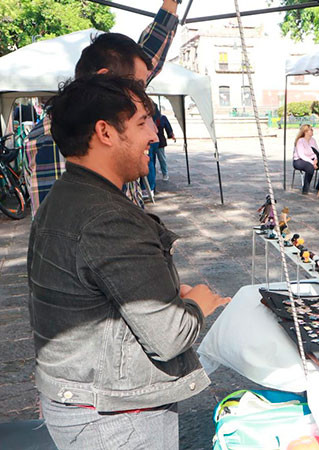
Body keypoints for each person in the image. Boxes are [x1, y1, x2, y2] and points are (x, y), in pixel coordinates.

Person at [29, 75, 230, 449]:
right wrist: (195, 305)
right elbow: (169, 337)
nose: (154, 135)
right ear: (105, 132)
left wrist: (164, 295)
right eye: (142, 122)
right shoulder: (107, 218)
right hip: (115, 422)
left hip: (85, 403)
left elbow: (95, 295)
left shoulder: (66, 195)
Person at [24, 0, 179, 217]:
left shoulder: (114, 113)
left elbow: (149, 56)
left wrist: (171, 4)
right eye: (139, 87)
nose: (143, 98)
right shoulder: (56, 136)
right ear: (105, 77)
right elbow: (66, 233)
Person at [293, 124, 318, 195]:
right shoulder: (300, 141)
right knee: (310, 168)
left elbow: (317, 151)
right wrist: (312, 163)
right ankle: (305, 188)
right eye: (311, 130)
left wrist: (316, 159)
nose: (312, 131)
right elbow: (301, 155)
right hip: (299, 160)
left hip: (312, 159)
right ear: (306, 132)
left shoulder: (313, 140)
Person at [155, 106, 176, 181]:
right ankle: (153, 175)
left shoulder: (162, 118)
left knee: (162, 159)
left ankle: (165, 173)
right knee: (151, 160)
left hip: (160, 141)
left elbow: (168, 127)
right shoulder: (148, 118)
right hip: (151, 141)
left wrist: (171, 134)